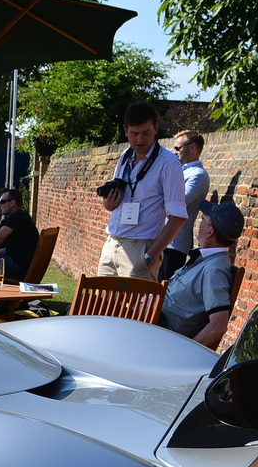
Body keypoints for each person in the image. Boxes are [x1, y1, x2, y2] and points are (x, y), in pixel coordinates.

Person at [96, 101, 187, 281]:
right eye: (134, 134)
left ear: (155, 128)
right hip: (112, 242)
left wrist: (149, 256)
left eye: (145, 133)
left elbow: (177, 217)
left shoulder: (168, 163)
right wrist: (108, 203)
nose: (139, 139)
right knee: (102, 306)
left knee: (135, 309)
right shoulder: (125, 157)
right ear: (125, 130)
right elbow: (112, 204)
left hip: (141, 247)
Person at [161, 199, 244, 348]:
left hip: (160, 333)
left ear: (210, 231)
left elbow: (218, 325)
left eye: (203, 219)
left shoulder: (214, 269)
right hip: (151, 319)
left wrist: (187, 352)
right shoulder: (207, 259)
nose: (199, 223)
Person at [161, 131, 209, 280]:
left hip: (175, 244)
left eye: (177, 148)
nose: (174, 152)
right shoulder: (178, 171)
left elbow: (178, 201)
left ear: (192, 147)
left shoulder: (198, 175)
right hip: (162, 241)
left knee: (163, 290)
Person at [0, 188, 39, 278]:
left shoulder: (17, 217)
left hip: (17, 267)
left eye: (2, 202)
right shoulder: (22, 216)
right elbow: (10, 249)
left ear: (12, 203)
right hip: (21, 264)